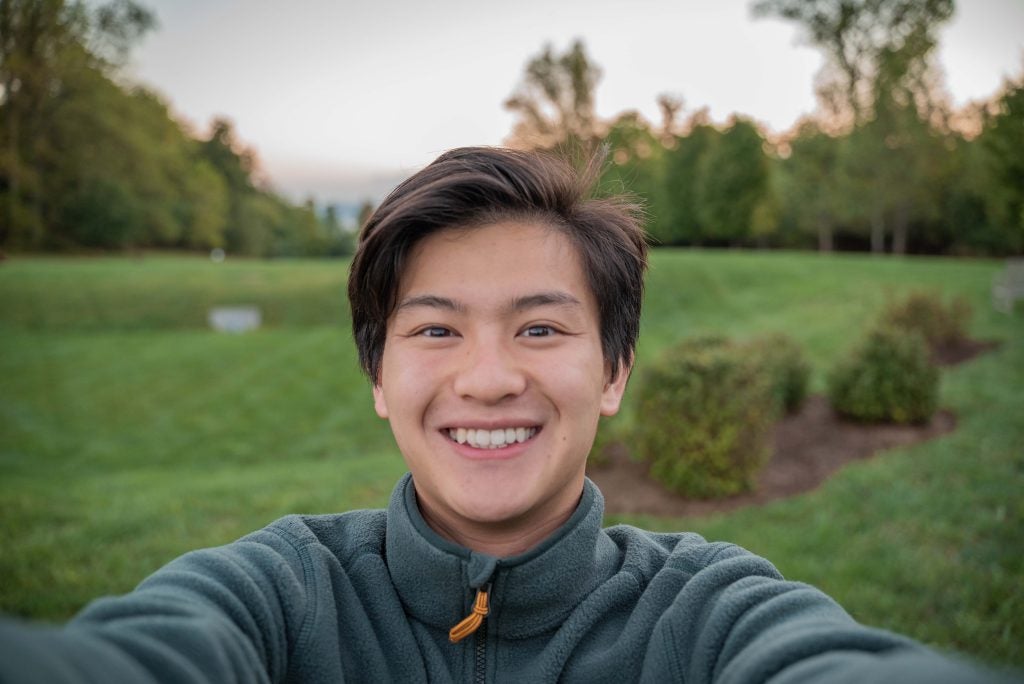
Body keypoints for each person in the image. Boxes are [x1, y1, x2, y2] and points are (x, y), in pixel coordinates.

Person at [0, 147, 1016, 683]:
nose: (486, 380)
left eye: (538, 330)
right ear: (378, 375)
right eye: (435, 332)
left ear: (615, 370)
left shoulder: (708, 619)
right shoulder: (276, 599)